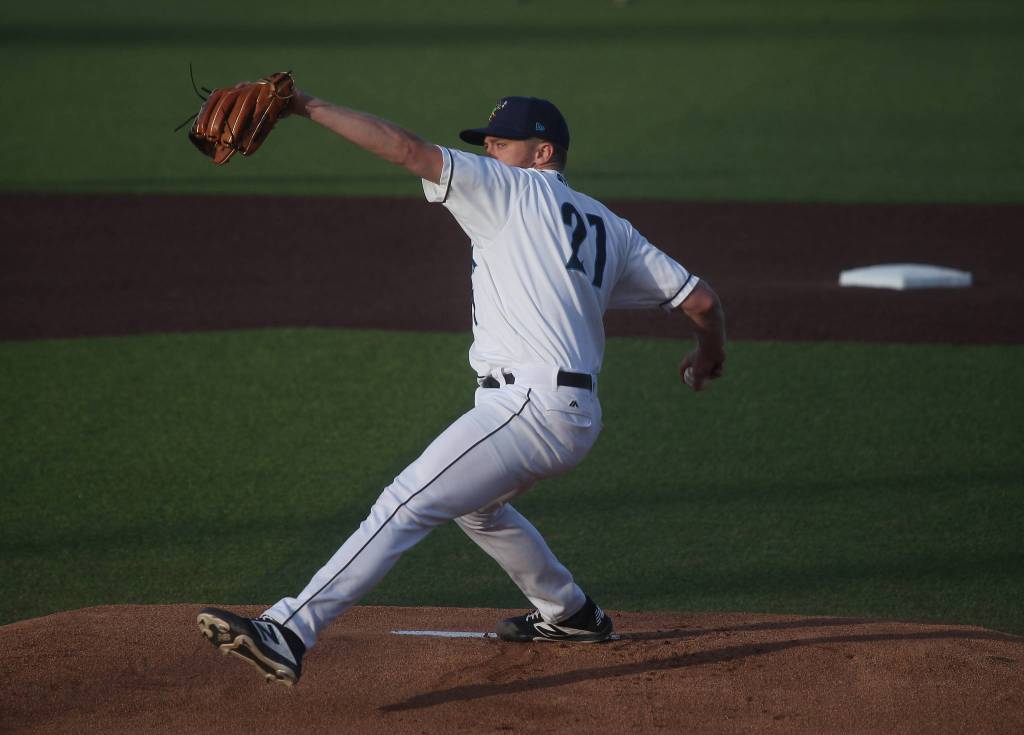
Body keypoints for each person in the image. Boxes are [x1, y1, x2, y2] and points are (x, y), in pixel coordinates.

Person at [197, 92, 726, 687]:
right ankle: (570, 612)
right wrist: (710, 355)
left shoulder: (510, 189)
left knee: (404, 501)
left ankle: (288, 629)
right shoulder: (609, 227)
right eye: (487, 144)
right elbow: (700, 300)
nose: (490, 152)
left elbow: (405, 148)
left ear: (542, 152)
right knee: (478, 508)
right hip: (571, 413)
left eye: (502, 143)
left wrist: (306, 106)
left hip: (528, 407)